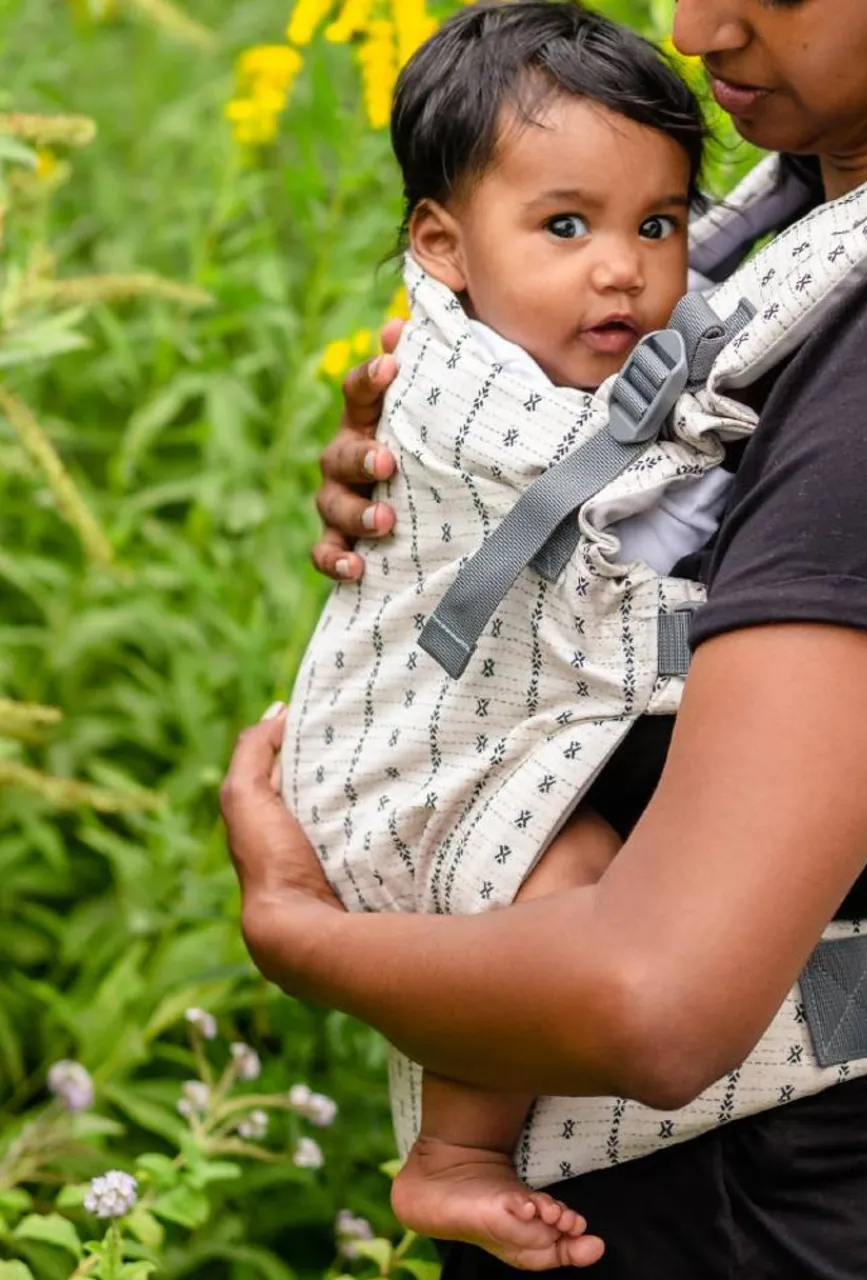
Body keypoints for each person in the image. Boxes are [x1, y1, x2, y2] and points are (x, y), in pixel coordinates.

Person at [222, 0, 867, 1274]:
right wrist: (457, 484)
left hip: (793, 1222)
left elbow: (656, 998)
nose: (694, 26)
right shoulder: (808, 229)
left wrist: (298, 931)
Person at [279, 4, 728, 1268]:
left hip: (475, 732)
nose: (622, 269)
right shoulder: (467, 389)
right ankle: (453, 1153)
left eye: (659, 225)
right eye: (566, 227)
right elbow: (614, 491)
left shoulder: (551, 341)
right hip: (406, 760)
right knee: (563, 880)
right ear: (443, 245)